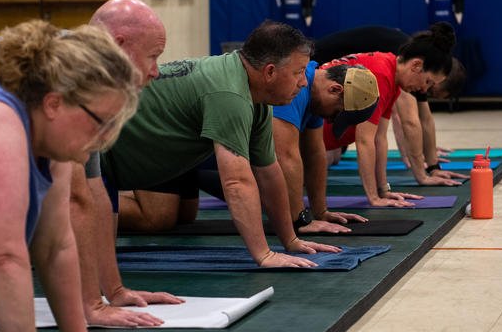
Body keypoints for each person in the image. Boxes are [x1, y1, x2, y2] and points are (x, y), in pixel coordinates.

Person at [0, 0, 183, 328]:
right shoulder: (72, 71)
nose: (156, 71)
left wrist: (113, 291)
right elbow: (74, 202)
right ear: (119, 46)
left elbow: (94, 194)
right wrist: (91, 306)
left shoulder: (91, 82)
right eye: (153, 57)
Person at [104, 20, 340, 266]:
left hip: (132, 156)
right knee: (99, 261)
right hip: (100, 160)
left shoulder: (256, 98)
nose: (303, 82)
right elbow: (236, 181)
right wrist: (264, 254)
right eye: (298, 72)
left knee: (179, 216)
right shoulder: (231, 94)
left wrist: (290, 240)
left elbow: (270, 173)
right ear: (269, 72)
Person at [322, 22, 457, 207]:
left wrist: (384, 190)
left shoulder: (391, 74)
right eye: (427, 82)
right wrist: (373, 197)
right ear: (416, 65)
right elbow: (364, 141)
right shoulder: (380, 74)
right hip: (304, 133)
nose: (424, 89)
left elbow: (380, 139)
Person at [271, 63, 378, 234]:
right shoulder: (294, 86)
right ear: (335, 89)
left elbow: (314, 154)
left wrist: (321, 212)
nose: (330, 120)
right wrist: (300, 221)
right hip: (217, 157)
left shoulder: (313, 96)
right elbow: (286, 156)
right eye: (336, 112)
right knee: (268, 190)